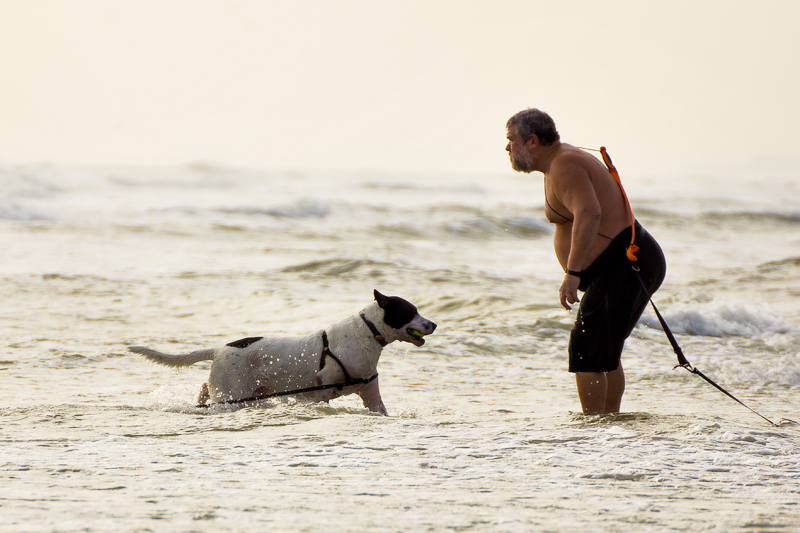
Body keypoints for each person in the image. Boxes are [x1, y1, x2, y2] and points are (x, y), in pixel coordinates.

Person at [505, 108, 666, 414]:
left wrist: (572, 273)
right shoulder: (559, 162)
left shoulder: (565, 163)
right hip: (628, 261)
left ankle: (594, 432)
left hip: (623, 262)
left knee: (587, 350)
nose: (507, 147)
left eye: (512, 139)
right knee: (602, 347)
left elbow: (589, 213)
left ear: (533, 141)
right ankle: (607, 425)